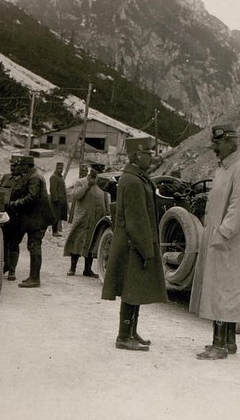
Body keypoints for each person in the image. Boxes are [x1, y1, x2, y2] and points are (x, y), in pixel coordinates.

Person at [189, 124, 240, 360]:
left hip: (229, 242)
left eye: (217, 143)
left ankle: (219, 345)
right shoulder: (223, 169)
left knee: (223, 291)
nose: (214, 147)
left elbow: (239, 208)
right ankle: (228, 342)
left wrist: (222, 234)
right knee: (221, 290)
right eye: (213, 143)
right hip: (219, 238)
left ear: (232, 141)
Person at [101, 137, 167, 352]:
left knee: (135, 289)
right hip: (133, 245)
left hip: (134, 243)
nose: (152, 156)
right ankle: (123, 336)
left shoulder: (137, 177)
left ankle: (131, 332)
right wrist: (146, 250)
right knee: (131, 289)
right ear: (137, 155)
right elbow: (136, 220)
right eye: (148, 153)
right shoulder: (133, 180)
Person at [6, 155, 55, 288]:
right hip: (36, 218)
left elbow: (31, 197)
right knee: (33, 247)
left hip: (37, 219)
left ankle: (34, 279)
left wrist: (15, 203)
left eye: (21, 165)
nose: (19, 168)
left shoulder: (34, 178)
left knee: (34, 248)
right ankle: (33, 277)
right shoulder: (33, 176)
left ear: (27, 166)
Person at [63, 165, 108, 277]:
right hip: (82, 219)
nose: (95, 173)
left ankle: (87, 270)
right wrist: (88, 185)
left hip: (96, 220)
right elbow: (76, 195)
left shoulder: (102, 185)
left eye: (98, 172)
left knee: (92, 243)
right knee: (77, 241)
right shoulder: (81, 182)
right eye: (94, 171)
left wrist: (106, 214)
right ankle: (72, 268)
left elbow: (106, 200)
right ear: (90, 171)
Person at [0, 155, 24, 281]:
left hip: (16, 216)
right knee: (2, 242)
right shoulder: (5, 177)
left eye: (15, 166)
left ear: (21, 167)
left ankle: (12, 270)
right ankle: (5, 266)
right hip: (3, 215)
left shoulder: (25, 180)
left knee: (14, 243)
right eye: (11, 165)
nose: (12, 168)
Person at [49, 161, 68, 237]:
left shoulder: (60, 177)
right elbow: (53, 189)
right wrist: (55, 199)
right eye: (59, 168)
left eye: (61, 168)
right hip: (56, 201)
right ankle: (54, 231)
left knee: (59, 216)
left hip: (61, 200)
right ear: (56, 168)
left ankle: (57, 230)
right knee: (55, 216)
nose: (61, 170)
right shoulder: (53, 177)